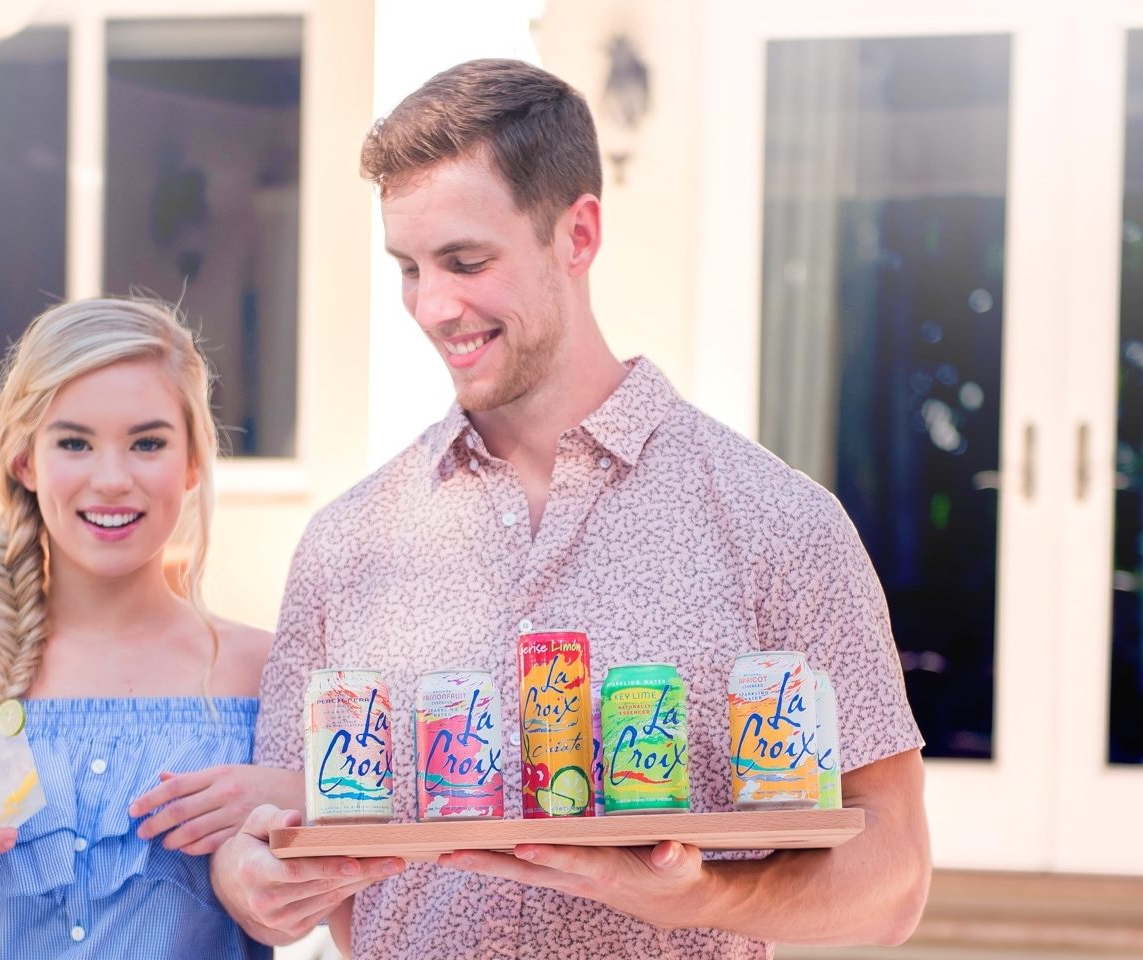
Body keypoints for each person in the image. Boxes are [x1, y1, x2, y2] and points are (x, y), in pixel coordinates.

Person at [209, 58, 932, 959]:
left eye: (467, 261)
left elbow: (894, 878)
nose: (434, 307)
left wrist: (700, 894)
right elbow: (281, 829)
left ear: (578, 233)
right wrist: (249, 882)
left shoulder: (778, 525)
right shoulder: (346, 542)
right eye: (408, 268)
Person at [0, 297, 300, 959]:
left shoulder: (258, 675)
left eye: (148, 443)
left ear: (193, 463)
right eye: (74, 443)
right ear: (26, 461)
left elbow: (300, 914)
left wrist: (298, 807)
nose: (111, 479)